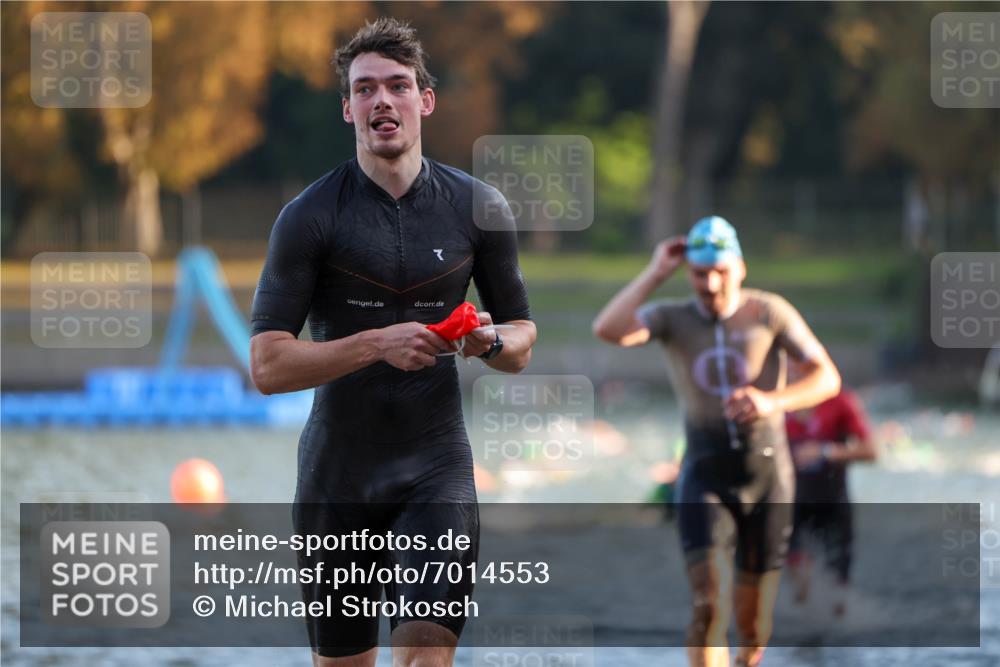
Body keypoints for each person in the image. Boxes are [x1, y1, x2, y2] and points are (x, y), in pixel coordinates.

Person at [249, 18, 536, 667]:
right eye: (365, 88)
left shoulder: (479, 207)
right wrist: (377, 344)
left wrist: (489, 340)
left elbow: (523, 338)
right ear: (347, 108)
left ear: (424, 100)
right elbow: (267, 365)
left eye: (398, 85)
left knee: (425, 659)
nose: (382, 99)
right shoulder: (308, 217)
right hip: (337, 478)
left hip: (436, 472)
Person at [592, 216, 841, 667]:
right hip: (704, 476)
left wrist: (771, 401)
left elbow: (827, 378)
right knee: (708, 604)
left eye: (720, 271)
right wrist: (656, 272)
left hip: (767, 479)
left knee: (752, 626)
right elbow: (608, 329)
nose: (709, 284)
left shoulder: (769, 312)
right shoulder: (673, 318)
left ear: (740, 268)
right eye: (699, 273)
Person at [785, 386, 876, 617]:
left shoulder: (841, 402)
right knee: (801, 586)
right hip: (791, 504)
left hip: (833, 502)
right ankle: (803, 624)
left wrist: (824, 451)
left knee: (838, 595)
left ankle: (836, 626)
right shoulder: (776, 402)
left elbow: (871, 451)